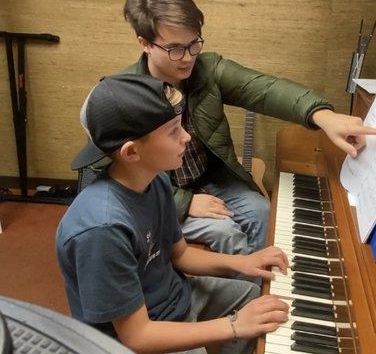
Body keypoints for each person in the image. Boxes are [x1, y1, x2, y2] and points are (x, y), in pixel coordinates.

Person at [121, 0, 376, 256]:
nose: (188, 58)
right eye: (175, 48)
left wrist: (323, 116)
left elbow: (265, 90)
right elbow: (118, 178)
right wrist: (183, 203)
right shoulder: (124, 95)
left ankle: (266, 288)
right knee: (225, 232)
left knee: (262, 210)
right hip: (161, 196)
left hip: (212, 179)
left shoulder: (207, 69)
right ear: (145, 44)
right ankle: (247, 295)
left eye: (193, 44)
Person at [56, 74, 289, 354]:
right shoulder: (102, 229)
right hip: (130, 339)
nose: (187, 137)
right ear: (131, 153)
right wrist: (234, 325)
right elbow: (137, 336)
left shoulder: (156, 179)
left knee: (256, 298)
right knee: (240, 323)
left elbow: (180, 255)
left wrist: (242, 262)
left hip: (175, 300)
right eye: (173, 131)